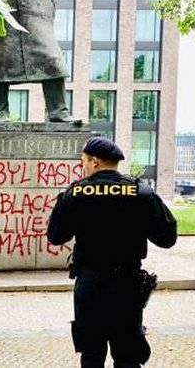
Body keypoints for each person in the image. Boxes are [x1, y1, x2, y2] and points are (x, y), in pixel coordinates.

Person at [48, 137, 178, 368]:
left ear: (95, 162)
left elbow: (56, 236)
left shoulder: (76, 193)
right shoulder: (140, 192)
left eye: (84, 161)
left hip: (90, 284)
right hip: (127, 284)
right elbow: (167, 238)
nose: (83, 167)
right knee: (127, 356)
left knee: (91, 355)